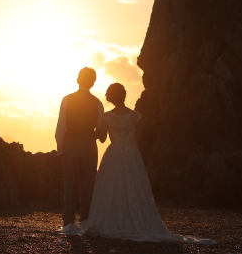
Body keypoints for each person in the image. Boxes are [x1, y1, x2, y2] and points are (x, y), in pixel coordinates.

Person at [59, 83, 216, 244]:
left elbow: (103, 138)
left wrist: (93, 129)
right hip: (132, 153)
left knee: (112, 186)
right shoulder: (135, 116)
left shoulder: (107, 117)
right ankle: (133, 217)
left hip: (113, 154)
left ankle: (111, 217)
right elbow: (139, 139)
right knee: (134, 186)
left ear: (111, 98)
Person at [55, 67, 104, 228]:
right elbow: (99, 127)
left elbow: (61, 125)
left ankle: (68, 221)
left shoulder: (67, 99)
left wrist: (61, 148)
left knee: (69, 183)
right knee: (88, 183)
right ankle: (85, 219)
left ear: (78, 80)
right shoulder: (98, 103)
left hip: (70, 143)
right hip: (89, 144)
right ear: (93, 82)